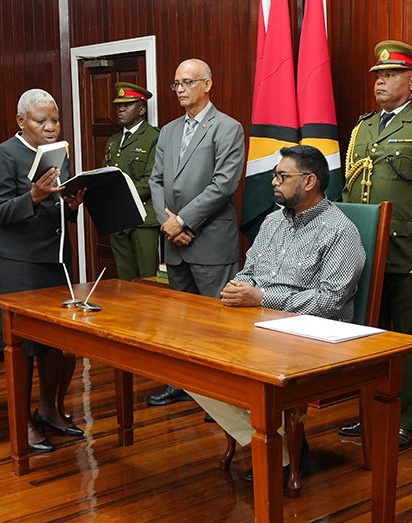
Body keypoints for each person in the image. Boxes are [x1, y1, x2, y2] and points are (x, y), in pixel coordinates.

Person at [190, 145, 366, 481]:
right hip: (257, 325)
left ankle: (277, 450)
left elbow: (331, 300)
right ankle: (283, 450)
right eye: (275, 175)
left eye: (282, 176)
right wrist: (237, 289)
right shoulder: (272, 222)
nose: (273, 182)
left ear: (310, 181)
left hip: (312, 337)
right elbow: (249, 271)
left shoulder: (340, 231)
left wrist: (262, 299)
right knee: (190, 364)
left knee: (234, 370)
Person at [338, 40, 412, 451]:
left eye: (390, 75)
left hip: (409, 255)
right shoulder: (364, 127)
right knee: (367, 339)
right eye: (377, 75)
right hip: (364, 253)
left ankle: (405, 419)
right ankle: (369, 412)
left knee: (406, 340)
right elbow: (351, 191)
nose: (380, 81)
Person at [0, 88, 87, 453]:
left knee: (53, 344)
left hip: (57, 260)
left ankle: (49, 410)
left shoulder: (58, 153)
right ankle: (22, 421)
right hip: (20, 265)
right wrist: (33, 196)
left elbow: (59, 207)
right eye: (41, 120)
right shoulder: (5, 154)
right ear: (21, 122)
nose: (50, 127)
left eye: (55, 120)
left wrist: (72, 204)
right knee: (23, 346)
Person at [146, 58, 245, 407]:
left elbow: (223, 185)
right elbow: (155, 180)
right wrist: (167, 223)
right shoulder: (169, 131)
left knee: (219, 325)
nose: (181, 90)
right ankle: (182, 385)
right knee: (180, 322)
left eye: (188, 82)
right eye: (176, 84)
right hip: (175, 243)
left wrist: (183, 221)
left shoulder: (228, 128)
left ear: (207, 84)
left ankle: (222, 396)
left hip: (211, 244)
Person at [104, 82, 161, 281]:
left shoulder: (153, 137)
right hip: (118, 219)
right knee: (124, 278)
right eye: (119, 105)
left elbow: (151, 180)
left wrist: (119, 198)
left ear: (142, 109)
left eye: (126, 105)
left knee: (147, 280)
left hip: (143, 218)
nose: (120, 109)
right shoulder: (113, 140)